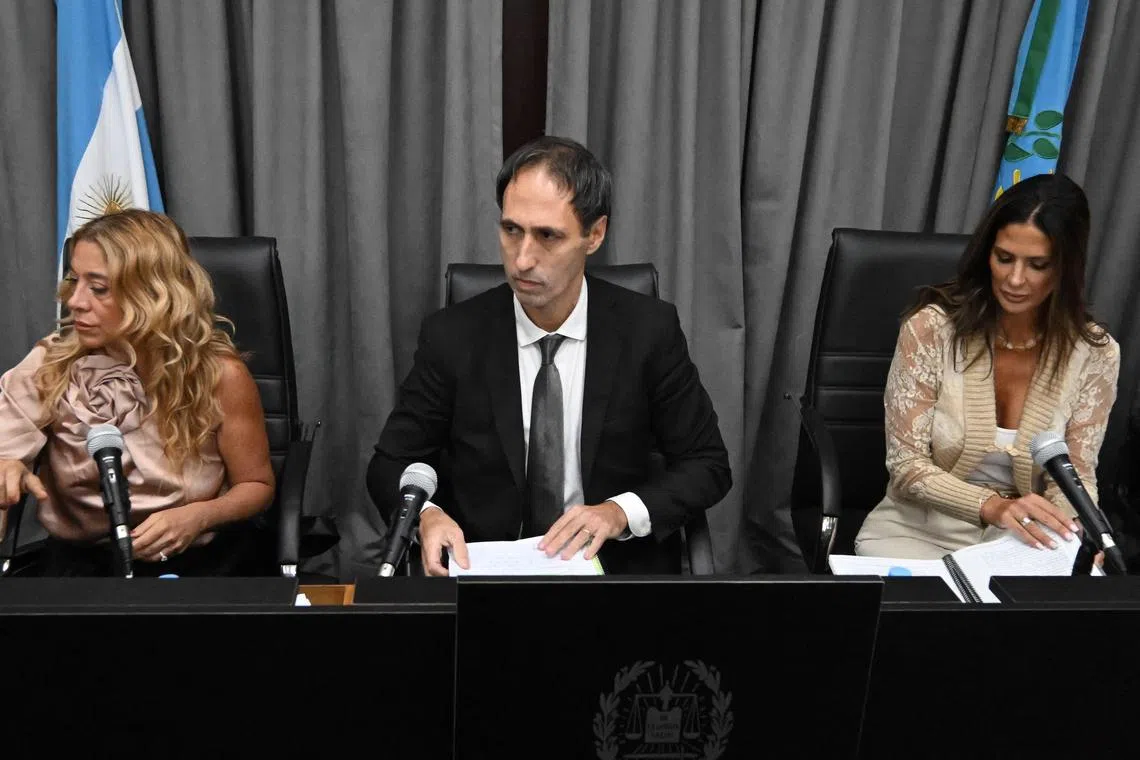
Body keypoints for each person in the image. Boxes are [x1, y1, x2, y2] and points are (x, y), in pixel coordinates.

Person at [367, 136, 731, 575]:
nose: (522, 260)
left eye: (547, 236)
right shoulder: (453, 336)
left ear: (594, 234)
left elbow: (707, 464)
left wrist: (619, 512)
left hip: (612, 573)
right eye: (511, 230)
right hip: (485, 571)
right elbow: (390, 463)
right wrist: (428, 516)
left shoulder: (648, 331)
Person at [855, 173, 1120, 559]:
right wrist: (993, 507)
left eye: (1038, 264)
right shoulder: (931, 329)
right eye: (1004, 258)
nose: (1015, 279)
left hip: (1024, 538)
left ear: (1066, 268)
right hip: (918, 529)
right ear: (986, 255)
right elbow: (906, 465)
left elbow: (1076, 477)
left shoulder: (1096, 354)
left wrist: (1073, 530)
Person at [0, 209, 275, 576]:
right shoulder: (50, 364)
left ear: (151, 293)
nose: (75, 301)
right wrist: (7, 466)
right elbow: (6, 454)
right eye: (74, 281)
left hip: (197, 559)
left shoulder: (219, 375)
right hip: (82, 565)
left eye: (98, 288)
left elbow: (256, 485)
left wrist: (198, 516)